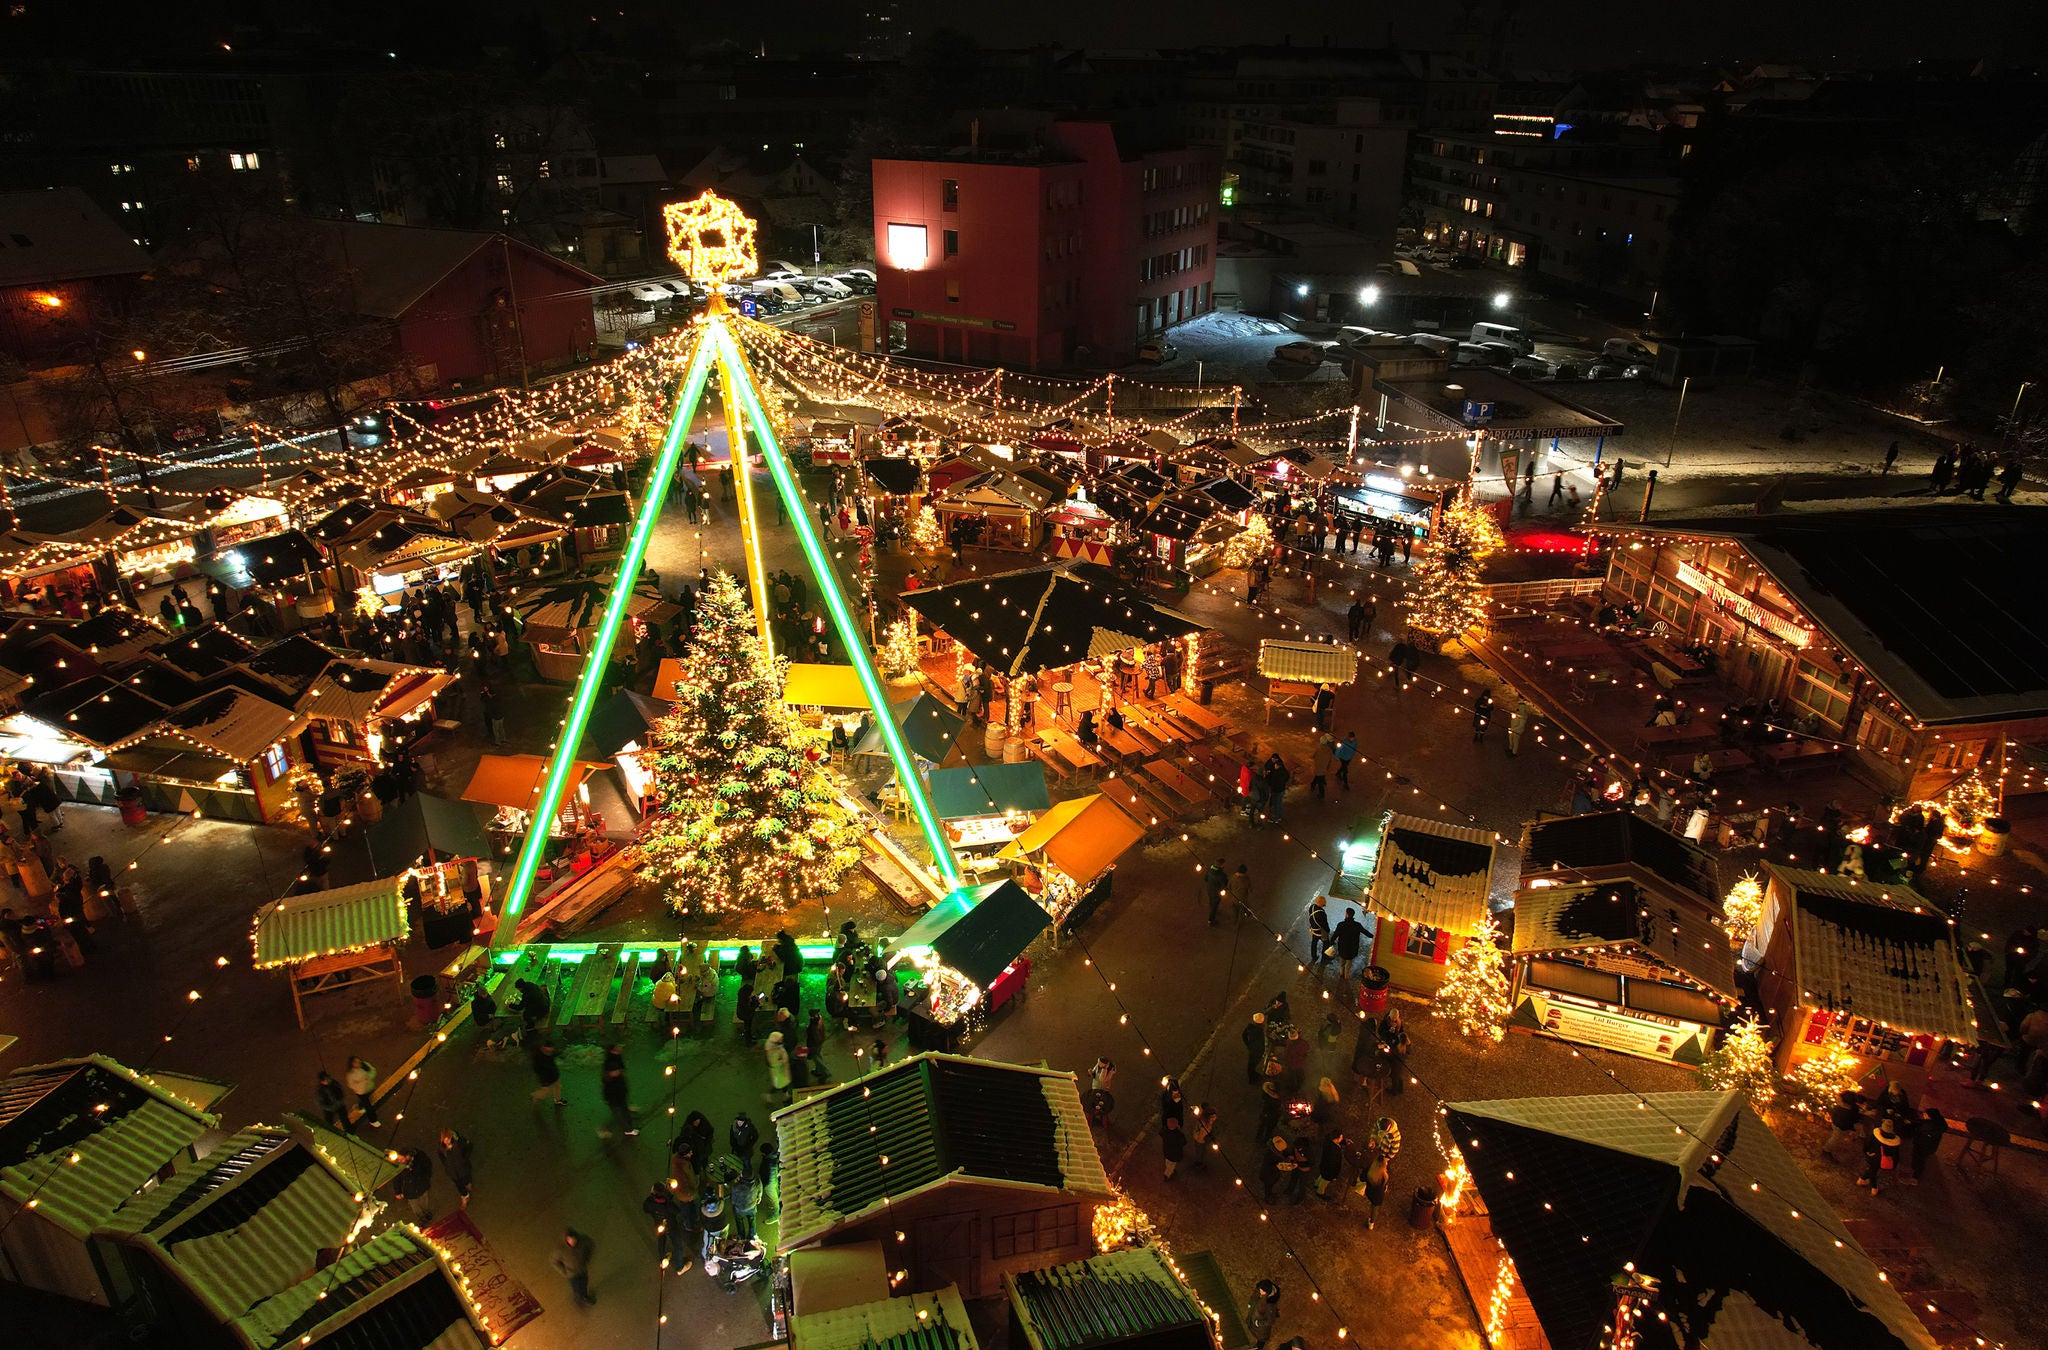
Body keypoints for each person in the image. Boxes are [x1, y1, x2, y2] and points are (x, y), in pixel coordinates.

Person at [643, 1182, 692, 1273]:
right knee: (677, 1244)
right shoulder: (667, 1205)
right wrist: (669, 1199)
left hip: (659, 1224)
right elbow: (677, 1211)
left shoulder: (649, 1202)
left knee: (661, 1241)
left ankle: (662, 1260)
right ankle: (680, 1267)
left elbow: (646, 1209)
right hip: (671, 1226)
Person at [599, 1043, 637, 1139]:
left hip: (620, 1096)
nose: (617, 1072)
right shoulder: (609, 1079)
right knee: (618, 1115)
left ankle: (629, 1128)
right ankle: (627, 1130)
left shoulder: (616, 1075)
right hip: (614, 1099)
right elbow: (609, 1091)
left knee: (623, 1113)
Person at [551, 1228, 597, 1305]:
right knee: (577, 1287)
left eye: (573, 1239)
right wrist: (564, 1272)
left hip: (582, 1269)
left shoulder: (583, 1241)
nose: (572, 1242)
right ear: (566, 1239)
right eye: (569, 1240)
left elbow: (590, 1245)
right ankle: (581, 1297)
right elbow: (554, 1261)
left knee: (584, 1283)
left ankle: (583, 1296)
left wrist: (587, 1258)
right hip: (571, 1274)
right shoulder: (560, 1250)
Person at [1907, 1106, 1946, 1184]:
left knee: (1919, 1160)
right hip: (1929, 1147)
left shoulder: (1928, 1127)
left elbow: (1919, 1129)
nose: (1924, 1115)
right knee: (1922, 1160)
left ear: (1930, 1117)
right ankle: (1915, 1170)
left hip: (1922, 1146)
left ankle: (1915, 1176)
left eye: (1926, 1114)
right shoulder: (1938, 1124)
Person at [392, 1148, 434, 1221]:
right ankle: (421, 1217)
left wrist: (426, 1178)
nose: (399, 1161)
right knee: (415, 1206)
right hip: (409, 1190)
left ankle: (426, 1212)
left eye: (401, 1159)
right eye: (398, 1159)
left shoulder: (419, 1160)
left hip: (421, 1186)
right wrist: (397, 1191)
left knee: (424, 1201)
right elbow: (396, 1179)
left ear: (407, 1157)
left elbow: (427, 1167)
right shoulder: (399, 1167)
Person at [438, 1128, 474, 1207]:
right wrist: (447, 1166)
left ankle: (468, 1184)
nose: (446, 1141)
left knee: (466, 1179)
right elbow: (442, 1159)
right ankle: (465, 1196)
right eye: (445, 1139)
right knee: (459, 1185)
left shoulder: (459, 1144)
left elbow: (469, 1147)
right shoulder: (441, 1149)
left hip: (463, 1168)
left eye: (448, 1138)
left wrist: (464, 1158)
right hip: (453, 1172)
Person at [1868, 1118, 1902, 1194]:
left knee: (1872, 1171)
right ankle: (1862, 1179)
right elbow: (1896, 1155)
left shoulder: (1876, 1135)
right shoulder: (1895, 1141)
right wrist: (1895, 1164)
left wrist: (1867, 1152)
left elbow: (1868, 1144)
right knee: (1872, 1170)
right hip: (1885, 1160)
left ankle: (1874, 1188)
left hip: (1875, 1158)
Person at [344, 1056, 380, 1129]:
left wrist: (368, 1078)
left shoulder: (365, 1065)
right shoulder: (351, 1073)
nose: (358, 1063)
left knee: (365, 1101)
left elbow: (373, 1071)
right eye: (355, 1062)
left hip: (369, 1088)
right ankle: (373, 1120)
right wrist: (361, 1084)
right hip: (361, 1091)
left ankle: (360, 1107)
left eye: (358, 1061)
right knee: (368, 1106)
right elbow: (351, 1084)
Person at [1332, 908, 1367, 982]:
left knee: (1342, 962)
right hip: (1352, 948)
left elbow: (1335, 935)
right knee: (1349, 962)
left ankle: (1341, 973)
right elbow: (1365, 932)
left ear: (1347, 914)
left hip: (1342, 947)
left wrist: (1331, 941)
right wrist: (1372, 936)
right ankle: (1346, 975)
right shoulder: (1357, 925)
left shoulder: (1341, 924)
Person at [1246, 1278, 1281, 1349]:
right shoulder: (1260, 1292)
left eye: (1262, 1291)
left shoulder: (1270, 1305)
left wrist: (1258, 1323)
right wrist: (1250, 1304)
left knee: (1261, 1339)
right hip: (1254, 1317)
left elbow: (1270, 1321)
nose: (1260, 1291)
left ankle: (1259, 1347)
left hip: (1261, 1329)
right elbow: (1254, 1297)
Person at [1360, 1146, 1390, 1228]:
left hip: (1369, 1192)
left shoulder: (1370, 1170)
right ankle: (1371, 1223)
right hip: (1378, 1196)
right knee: (1375, 1209)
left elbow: (1362, 1178)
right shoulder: (1384, 1176)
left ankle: (1371, 1222)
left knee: (1373, 1204)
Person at [530, 1037, 565, 1106]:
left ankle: (557, 1100)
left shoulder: (549, 1053)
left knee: (557, 1086)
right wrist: (544, 1077)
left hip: (554, 1075)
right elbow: (537, 1069)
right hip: (546, 1077)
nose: (552, 1049)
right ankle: (534, 1096)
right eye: (551, 1048)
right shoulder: (538, 1057)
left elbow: (553, 1056)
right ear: (545, 1047)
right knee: (546, 1092)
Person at [765, 1030, 793, 1105]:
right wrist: (783, 1060)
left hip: (782, 1069)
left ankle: (785, 1095)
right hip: (778, 1070)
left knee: (784, 1083)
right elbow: (774, 1061)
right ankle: (770, 1095)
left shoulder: (776, 1046)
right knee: (778, 1085)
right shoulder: (772, 1050)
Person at [1316, 1130, 1346, 1199]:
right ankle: (1320, 1192)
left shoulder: (1328, 1142)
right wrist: (1335, 1175)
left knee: (1322, 1176)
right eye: (1341, 1137)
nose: (1342, 1138)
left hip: (1324, 1165)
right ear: (1336, 1139)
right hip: (1329, 1169)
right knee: (1325, 1181)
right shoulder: (1334, 1151)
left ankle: (1316, 1184)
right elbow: (1335, 1163)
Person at [1307, 894, 1332, 971]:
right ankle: (1324, 957)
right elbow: (1324, 924)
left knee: (1314, 943)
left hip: (1314, 930)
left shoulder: (1312, 907)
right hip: (1320, 932)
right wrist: (1328, 930)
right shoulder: (1321, 913)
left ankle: (1314, 956)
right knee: (1326, 943)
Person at [1242, 1013, 1268, 1084]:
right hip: (1256, 1051)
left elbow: (1244, 1035)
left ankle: (1253, 1073)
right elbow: (1260, 1043)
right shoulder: (1258, 1031)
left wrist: (1248, 1045)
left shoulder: (1250, 1027)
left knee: (1252, 1064)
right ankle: (1252, 1079)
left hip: (1253, 1049)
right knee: (1252, 1064)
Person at [1204, 858, 1228, 926]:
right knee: (1214, 906)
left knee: (1211, 901)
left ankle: (1212, 909)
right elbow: (1224, 885)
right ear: (1221, 865)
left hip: (1209, 890)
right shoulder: (1222, 875)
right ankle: (1211, 920)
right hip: (1216, 893)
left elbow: (1205, 878)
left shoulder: (1209, 869)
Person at [1161, 1115, 1186, 1180]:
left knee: (1167, 1163)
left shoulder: (1165, 1131)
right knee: (1172, 1165)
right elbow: (1184, 1142)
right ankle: (1167, 1175)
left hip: (1167, 1151)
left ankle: (1168, 1172)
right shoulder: (1178, 1134)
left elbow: (1161, 1132)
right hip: (1174, 1153)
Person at [1309, 735, 1333, 799]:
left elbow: (1313, 756)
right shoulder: (1329, 750)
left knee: (1320, 781)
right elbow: (1331, 759)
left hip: (1318, 767)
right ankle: (1313, 785)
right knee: (1319, 777)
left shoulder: (1318, 749)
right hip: (1324, 768)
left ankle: (1321, 794)